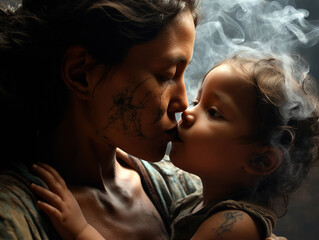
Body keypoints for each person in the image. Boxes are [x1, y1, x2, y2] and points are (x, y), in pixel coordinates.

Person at [30, 55, 319, 240]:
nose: (187, 111)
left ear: (260, 160)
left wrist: (82, 231)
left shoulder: (236, 225)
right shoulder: (195, 200)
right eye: (197, 101)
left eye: (214, 112)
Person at [0, 0, 202, 239]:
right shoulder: (13, 219)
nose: (182, 103)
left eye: (183, 73)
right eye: (166, 76)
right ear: (81, 74)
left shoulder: (188, 194)